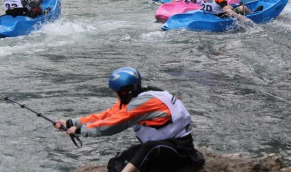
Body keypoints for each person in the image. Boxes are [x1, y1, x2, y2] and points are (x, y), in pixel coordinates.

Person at [54, 67, 205, 172]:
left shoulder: (143, 103)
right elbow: (107, 116)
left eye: (116, 92)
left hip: (180, 151)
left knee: (149, 148)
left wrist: (81, 131)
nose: (115, 95)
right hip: (163, 149)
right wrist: (71, 123)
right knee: (116, 162)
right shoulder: (135, 100)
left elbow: (114, 124)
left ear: (125, 92)